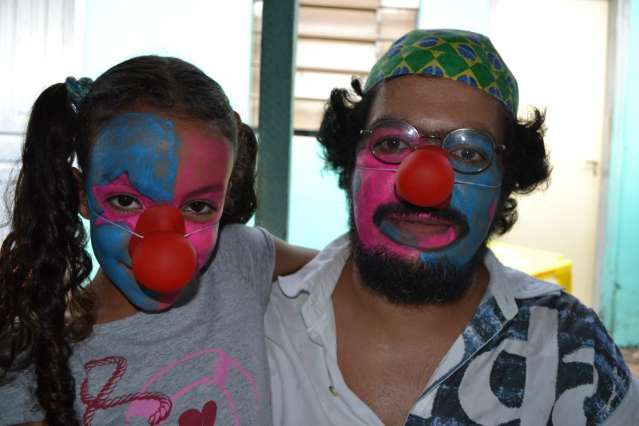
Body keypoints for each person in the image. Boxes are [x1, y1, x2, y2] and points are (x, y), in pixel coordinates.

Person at [266, 29, 639, 425]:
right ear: (350, 161)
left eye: (467, 152)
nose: (424, 182)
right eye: (392, 143)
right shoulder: (257, 318)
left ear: (504, 181)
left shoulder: (571, 345)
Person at [0, 55, 313, 425]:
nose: (163, 247)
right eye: (126, 201)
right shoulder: (31, 361)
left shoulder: (240, 257)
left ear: (224, 198)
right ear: (81, 195)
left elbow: (343, 269)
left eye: (197, 206)